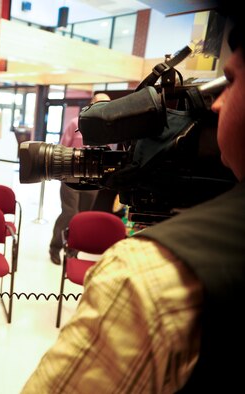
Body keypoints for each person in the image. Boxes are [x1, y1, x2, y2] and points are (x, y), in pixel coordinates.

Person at [22, 11, 245, 393]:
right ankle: (58, 246)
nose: (217, 105)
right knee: (68, 215)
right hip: (80, 187)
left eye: (234, 82)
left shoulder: (143, 278)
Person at [48, 93, 111, 264]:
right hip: (70, 176)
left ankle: (72, 249)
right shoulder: (75, 124)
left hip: (92, 177)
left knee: (82, 216)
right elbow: (61, 148)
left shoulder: (107, 128)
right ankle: (55, 247)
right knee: (70, 213)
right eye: (100, 103)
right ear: (91, 104)